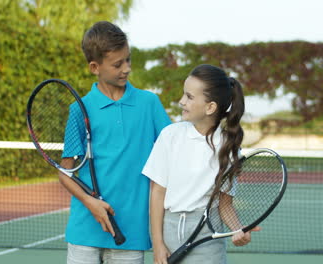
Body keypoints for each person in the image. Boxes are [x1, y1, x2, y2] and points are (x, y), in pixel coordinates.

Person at [59, 21, 171, 264]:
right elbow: (65, 172)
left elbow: (176, 151)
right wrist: (91, 203)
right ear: (94, 67)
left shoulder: (149, 104)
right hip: (84, 232)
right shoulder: (80, 110)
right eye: (118, 64)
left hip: (131, 233)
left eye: (128, 60)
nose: (126, 68)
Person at [142, 64, 260, 264]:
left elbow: (225, 205)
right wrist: (158, 243)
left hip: (208, 238)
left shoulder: (228, 147)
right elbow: (157, 193)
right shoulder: (170, 136)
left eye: (189, 97)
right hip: (169, 233)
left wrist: (237, 229)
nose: (181, 101)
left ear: (210, 107)